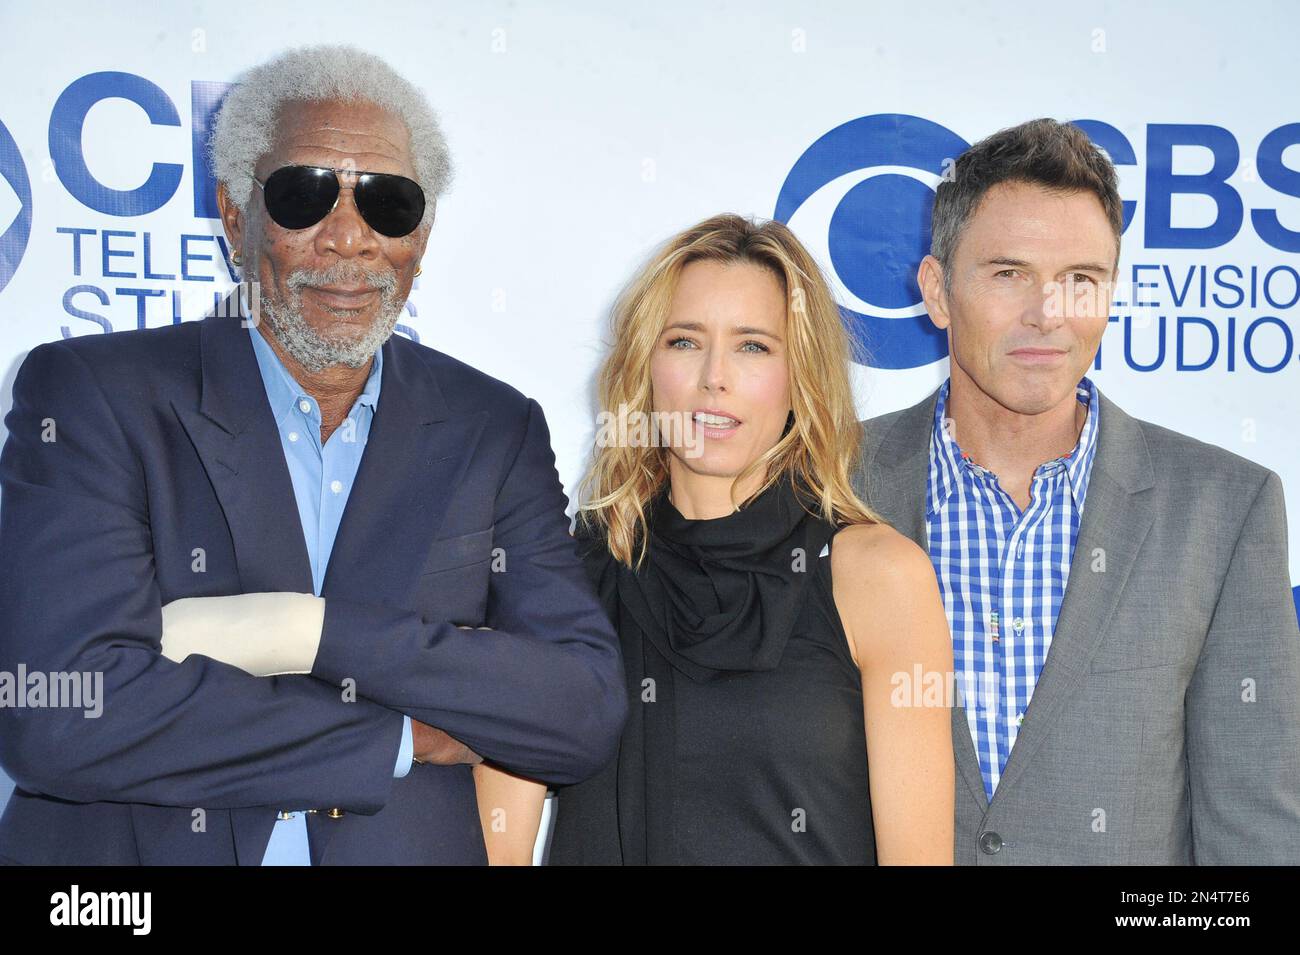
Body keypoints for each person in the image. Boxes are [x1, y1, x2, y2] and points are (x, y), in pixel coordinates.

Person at [0, 44, 626, 866]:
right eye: (304, 195)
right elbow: (63, 713)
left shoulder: (492, 428)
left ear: (423, 235)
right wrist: (406, 735)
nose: (349, 239)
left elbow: (579, 711)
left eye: (388, 204)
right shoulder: (95, 395)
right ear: (233, 215)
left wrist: (306, 632)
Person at [854, 117, 1300, 864]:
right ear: (937, 291)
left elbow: (1256, 836)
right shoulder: (831, 482)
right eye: (1009, 274)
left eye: (1081, 280)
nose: (1049, 314)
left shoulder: (1225, 508)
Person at [542, 213, 954, 865]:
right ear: (644, 364)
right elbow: (497, 836)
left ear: (802, 375)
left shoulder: (880, 577)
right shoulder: (569, 572)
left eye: (753, 346)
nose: (715, 376)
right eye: (684, 340)